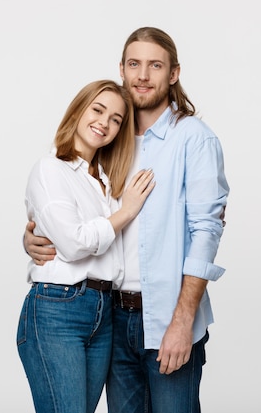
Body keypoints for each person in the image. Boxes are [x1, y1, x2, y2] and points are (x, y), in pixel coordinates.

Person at [24, 27, 229, 413]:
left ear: (173, 73)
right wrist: (33, 235)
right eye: (134, 64)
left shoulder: (194, 139)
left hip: (169, 316)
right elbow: (73, 208)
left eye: (155, 65)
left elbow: (206, 231)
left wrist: (183, 321)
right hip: (111, 320)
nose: (143, 75)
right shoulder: (109, 141)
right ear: (121, 68)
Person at [16, 79, 155, 413]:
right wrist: (127, 211)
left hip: (104, 311)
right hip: (58, 309)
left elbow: (110, 245)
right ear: (78, 110)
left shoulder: (106, 181)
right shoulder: (50, 168)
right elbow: (74, 243)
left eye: (116, 119)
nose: (104, 123)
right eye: (98, 110)